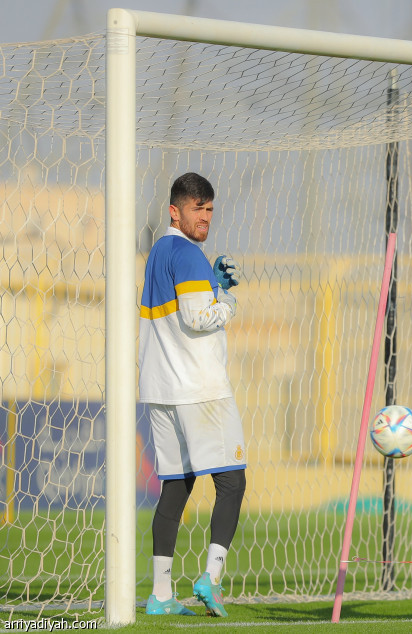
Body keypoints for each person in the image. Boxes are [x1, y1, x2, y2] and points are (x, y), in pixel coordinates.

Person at [138, 172, 246, 617]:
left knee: (177, 487)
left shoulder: (160, 251)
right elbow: (200, 317)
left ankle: (161, 594)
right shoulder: (187, 253)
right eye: (196, 208)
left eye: (209, 209)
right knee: (232, 482)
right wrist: (228, 297)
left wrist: (209, 280)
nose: (204, 217)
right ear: (174, 210)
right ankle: (211, 579)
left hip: (160, 388)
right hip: (199, 388)